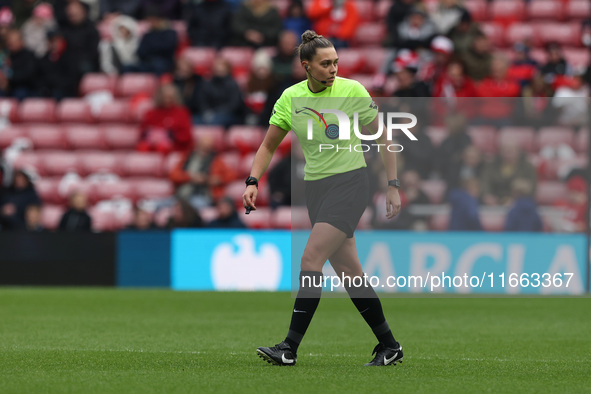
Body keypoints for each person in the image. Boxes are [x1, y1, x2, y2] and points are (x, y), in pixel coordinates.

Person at [243, 30, 403, 367]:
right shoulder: (290, 98)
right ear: (307, 66)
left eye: (336, 63)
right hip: (316, 188)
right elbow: (268, 145)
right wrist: (253, 179)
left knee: (310, 260)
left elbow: (384, 137)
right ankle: (390, 346)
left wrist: (393, 184)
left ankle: (288, 348)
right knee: (349, 273)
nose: (333, 69)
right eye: (326, 64)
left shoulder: (352, 91)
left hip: (350, 184)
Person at [136, 83, 193, 154]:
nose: (168, 100)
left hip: (174, 148)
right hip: (151, 148)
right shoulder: (150, 113)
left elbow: (186, 136)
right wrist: (153, 136)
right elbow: (143, 133)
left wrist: (169, 135)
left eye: (170, 97)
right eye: (165, 97)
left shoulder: (182, 113)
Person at [136, 8, 178, 75]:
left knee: (158, 65)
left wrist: (151, 48)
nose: (151, 22)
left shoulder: (170, 33)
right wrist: (154, 49)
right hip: (147, 62)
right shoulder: (148, 35)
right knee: (128, 67)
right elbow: (140, 52)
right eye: (150, 20)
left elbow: (167, 48)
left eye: (154, 20)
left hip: (164, 63)